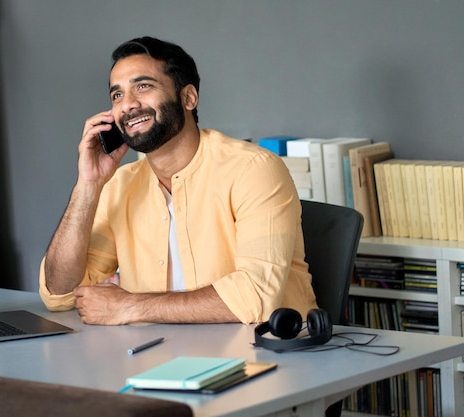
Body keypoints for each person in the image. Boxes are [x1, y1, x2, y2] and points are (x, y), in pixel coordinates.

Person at [39, 36, 317, 325]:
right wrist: (87, 185)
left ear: (188, 98)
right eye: (117, 95)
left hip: (267, 354)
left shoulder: (254, 170)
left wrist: (131, 306)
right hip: (158, 354)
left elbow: (255, 297)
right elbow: (61, 293)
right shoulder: (119, 184)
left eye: (143, 86)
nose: (128, 105)